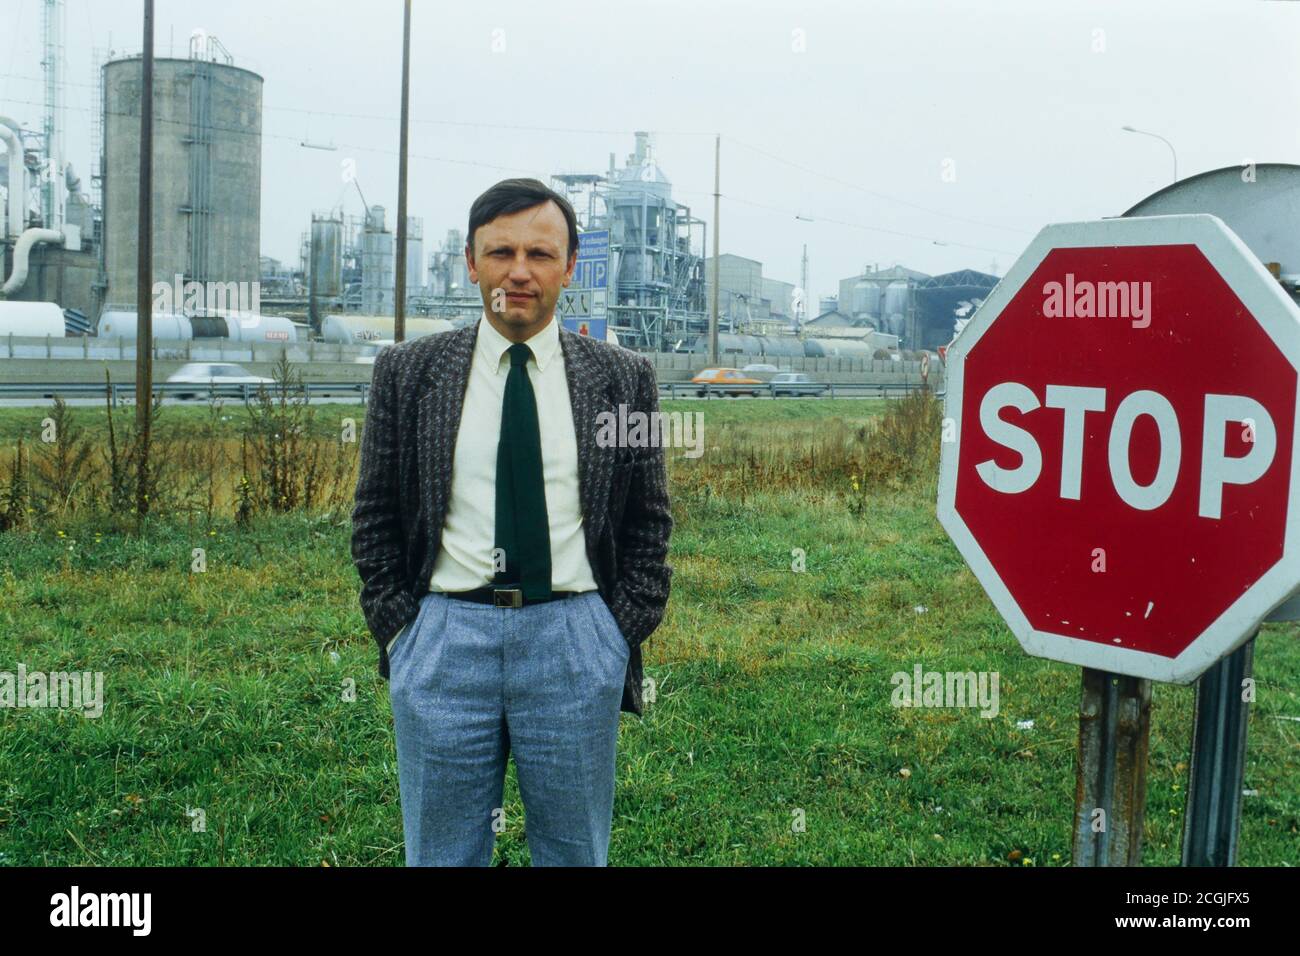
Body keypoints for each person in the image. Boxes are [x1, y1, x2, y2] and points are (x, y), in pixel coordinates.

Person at [350, 177, 673, 866]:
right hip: (442, 639)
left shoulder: (626, 380)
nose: (518, 271)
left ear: (571, 265)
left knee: (573, 853)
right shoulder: (408, 373)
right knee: (441, 855)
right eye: (500, 252)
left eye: (539, 253)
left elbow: (650, 519)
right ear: (471, 262)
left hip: (573, 640)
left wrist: (615, 634)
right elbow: (374, 514)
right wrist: (402, 630)